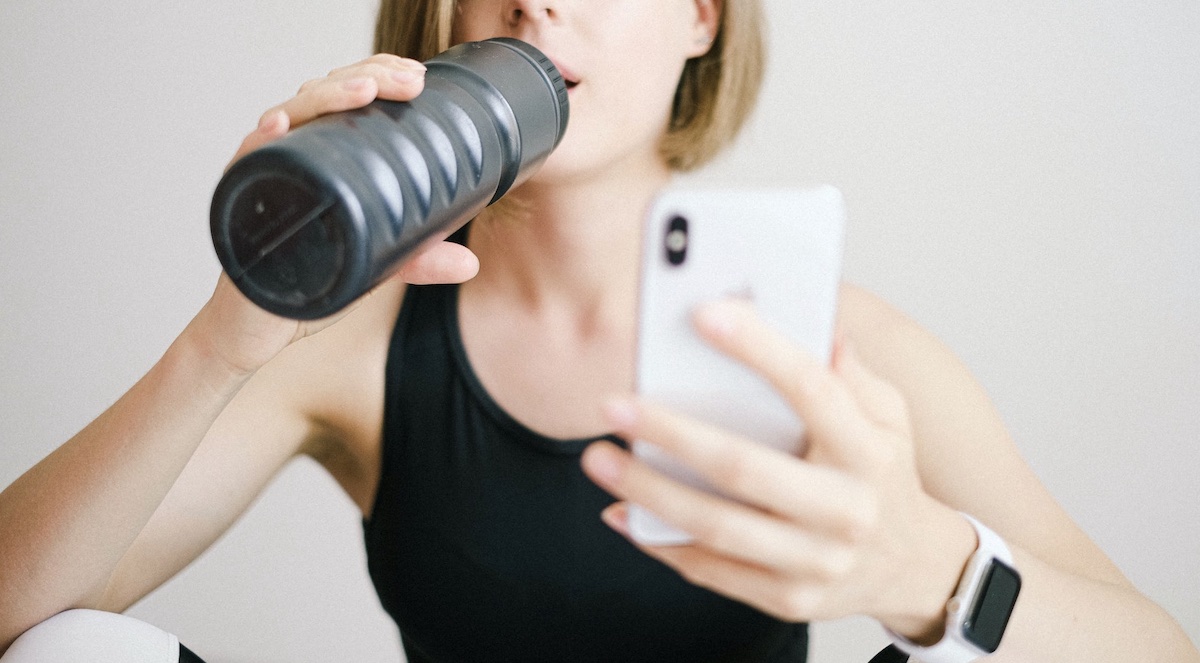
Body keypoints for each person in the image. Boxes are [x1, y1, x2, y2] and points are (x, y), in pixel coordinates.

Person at [0, 1, 1196, 661]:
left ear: (701, 18)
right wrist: (230, 329)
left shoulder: (841, 353)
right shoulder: (355, 348)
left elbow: (1156, 651)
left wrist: (932, 573)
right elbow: (21, 618)